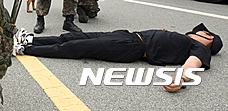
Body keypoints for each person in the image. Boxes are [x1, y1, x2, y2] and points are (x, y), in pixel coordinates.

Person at [14, 23, 223, 93]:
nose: (193, 32)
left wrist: (180, 79)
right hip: (127, 36)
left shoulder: (200, 48)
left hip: (131, 47)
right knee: (71, 37)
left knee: (74, 47)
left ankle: (24, 49)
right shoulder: (187, 40)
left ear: (208, 38)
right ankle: (30, 39)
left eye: (200, 32)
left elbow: (191, 64)